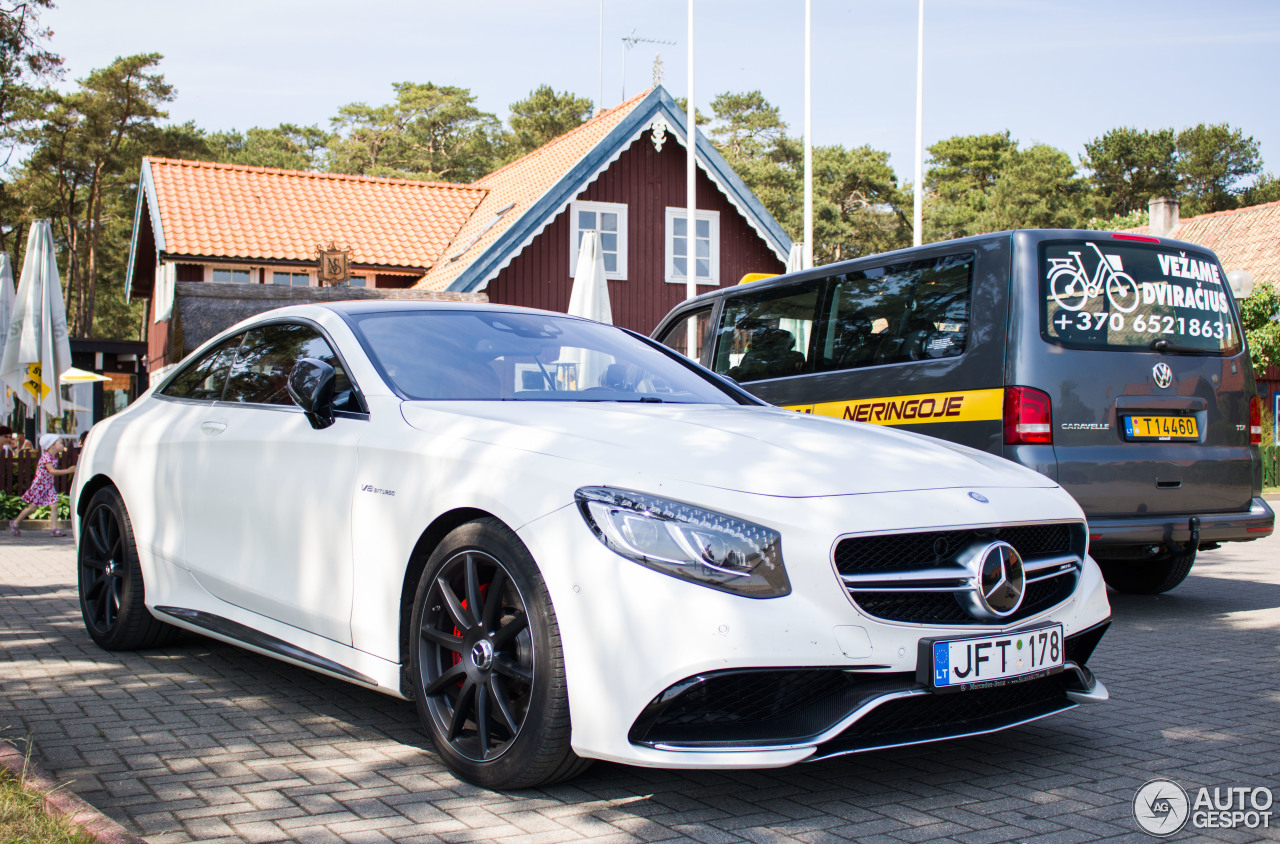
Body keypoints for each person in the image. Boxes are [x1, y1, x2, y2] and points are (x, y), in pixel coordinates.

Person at [10, 434, 76, 537]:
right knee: (32, 508)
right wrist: (68, 471)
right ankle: (15, 523)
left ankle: (54, 529)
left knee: (54, 505)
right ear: (52, 445)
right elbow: (52, 471)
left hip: (48, 485)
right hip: (39, 486)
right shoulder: (46, 457)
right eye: (60, 442)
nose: (62, 444)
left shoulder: (54, 457)